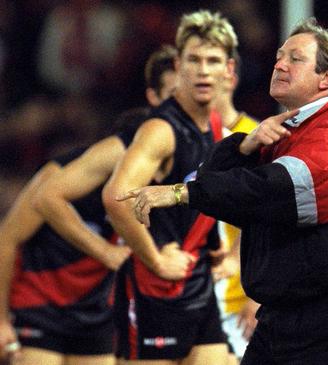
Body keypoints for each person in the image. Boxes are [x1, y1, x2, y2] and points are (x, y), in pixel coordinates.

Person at [116, 17, 328, 365]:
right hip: (282, 315)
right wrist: (243, 147)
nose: (279, 64)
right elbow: (223, 193)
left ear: (326, 78)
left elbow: (267, 193)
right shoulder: (284, 131)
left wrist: (178, 193)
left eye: (295, 58)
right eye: (280, 56)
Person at [0, 44, 178, 365]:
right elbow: (7, 238)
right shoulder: (69, 171)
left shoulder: (176, 173)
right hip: (40, 304)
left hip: (97, 310)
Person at [102, 10, 238, 364]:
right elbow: (115, 198)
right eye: (194, 59)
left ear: (229, 69)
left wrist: (213, 244)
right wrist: (156, 260)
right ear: (178, 65)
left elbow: (198, 189)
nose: (204, 70)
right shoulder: (161, 130)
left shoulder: (212, 121)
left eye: (213, 61)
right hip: (153, 291)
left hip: (196, 282)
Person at [209, 55, 260, 363]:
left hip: (239, 302)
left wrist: (257, 297)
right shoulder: (184, 138)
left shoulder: (255, 136)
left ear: (230, 77)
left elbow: (272, 220)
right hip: (198, 297)